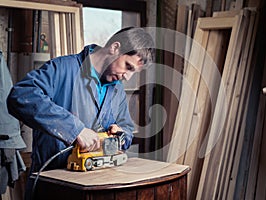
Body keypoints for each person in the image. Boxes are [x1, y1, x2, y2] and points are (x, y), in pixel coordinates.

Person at [6, 27, 155, 199]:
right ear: (115, 48)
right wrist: (74, 130)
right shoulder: (63, 69)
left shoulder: (116, 90)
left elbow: (126, 128)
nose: (127, 77)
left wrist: (122, 136)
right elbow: (20, 96)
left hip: (95, 186)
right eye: (128, 67)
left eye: (133, 72)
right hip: (52, 186)